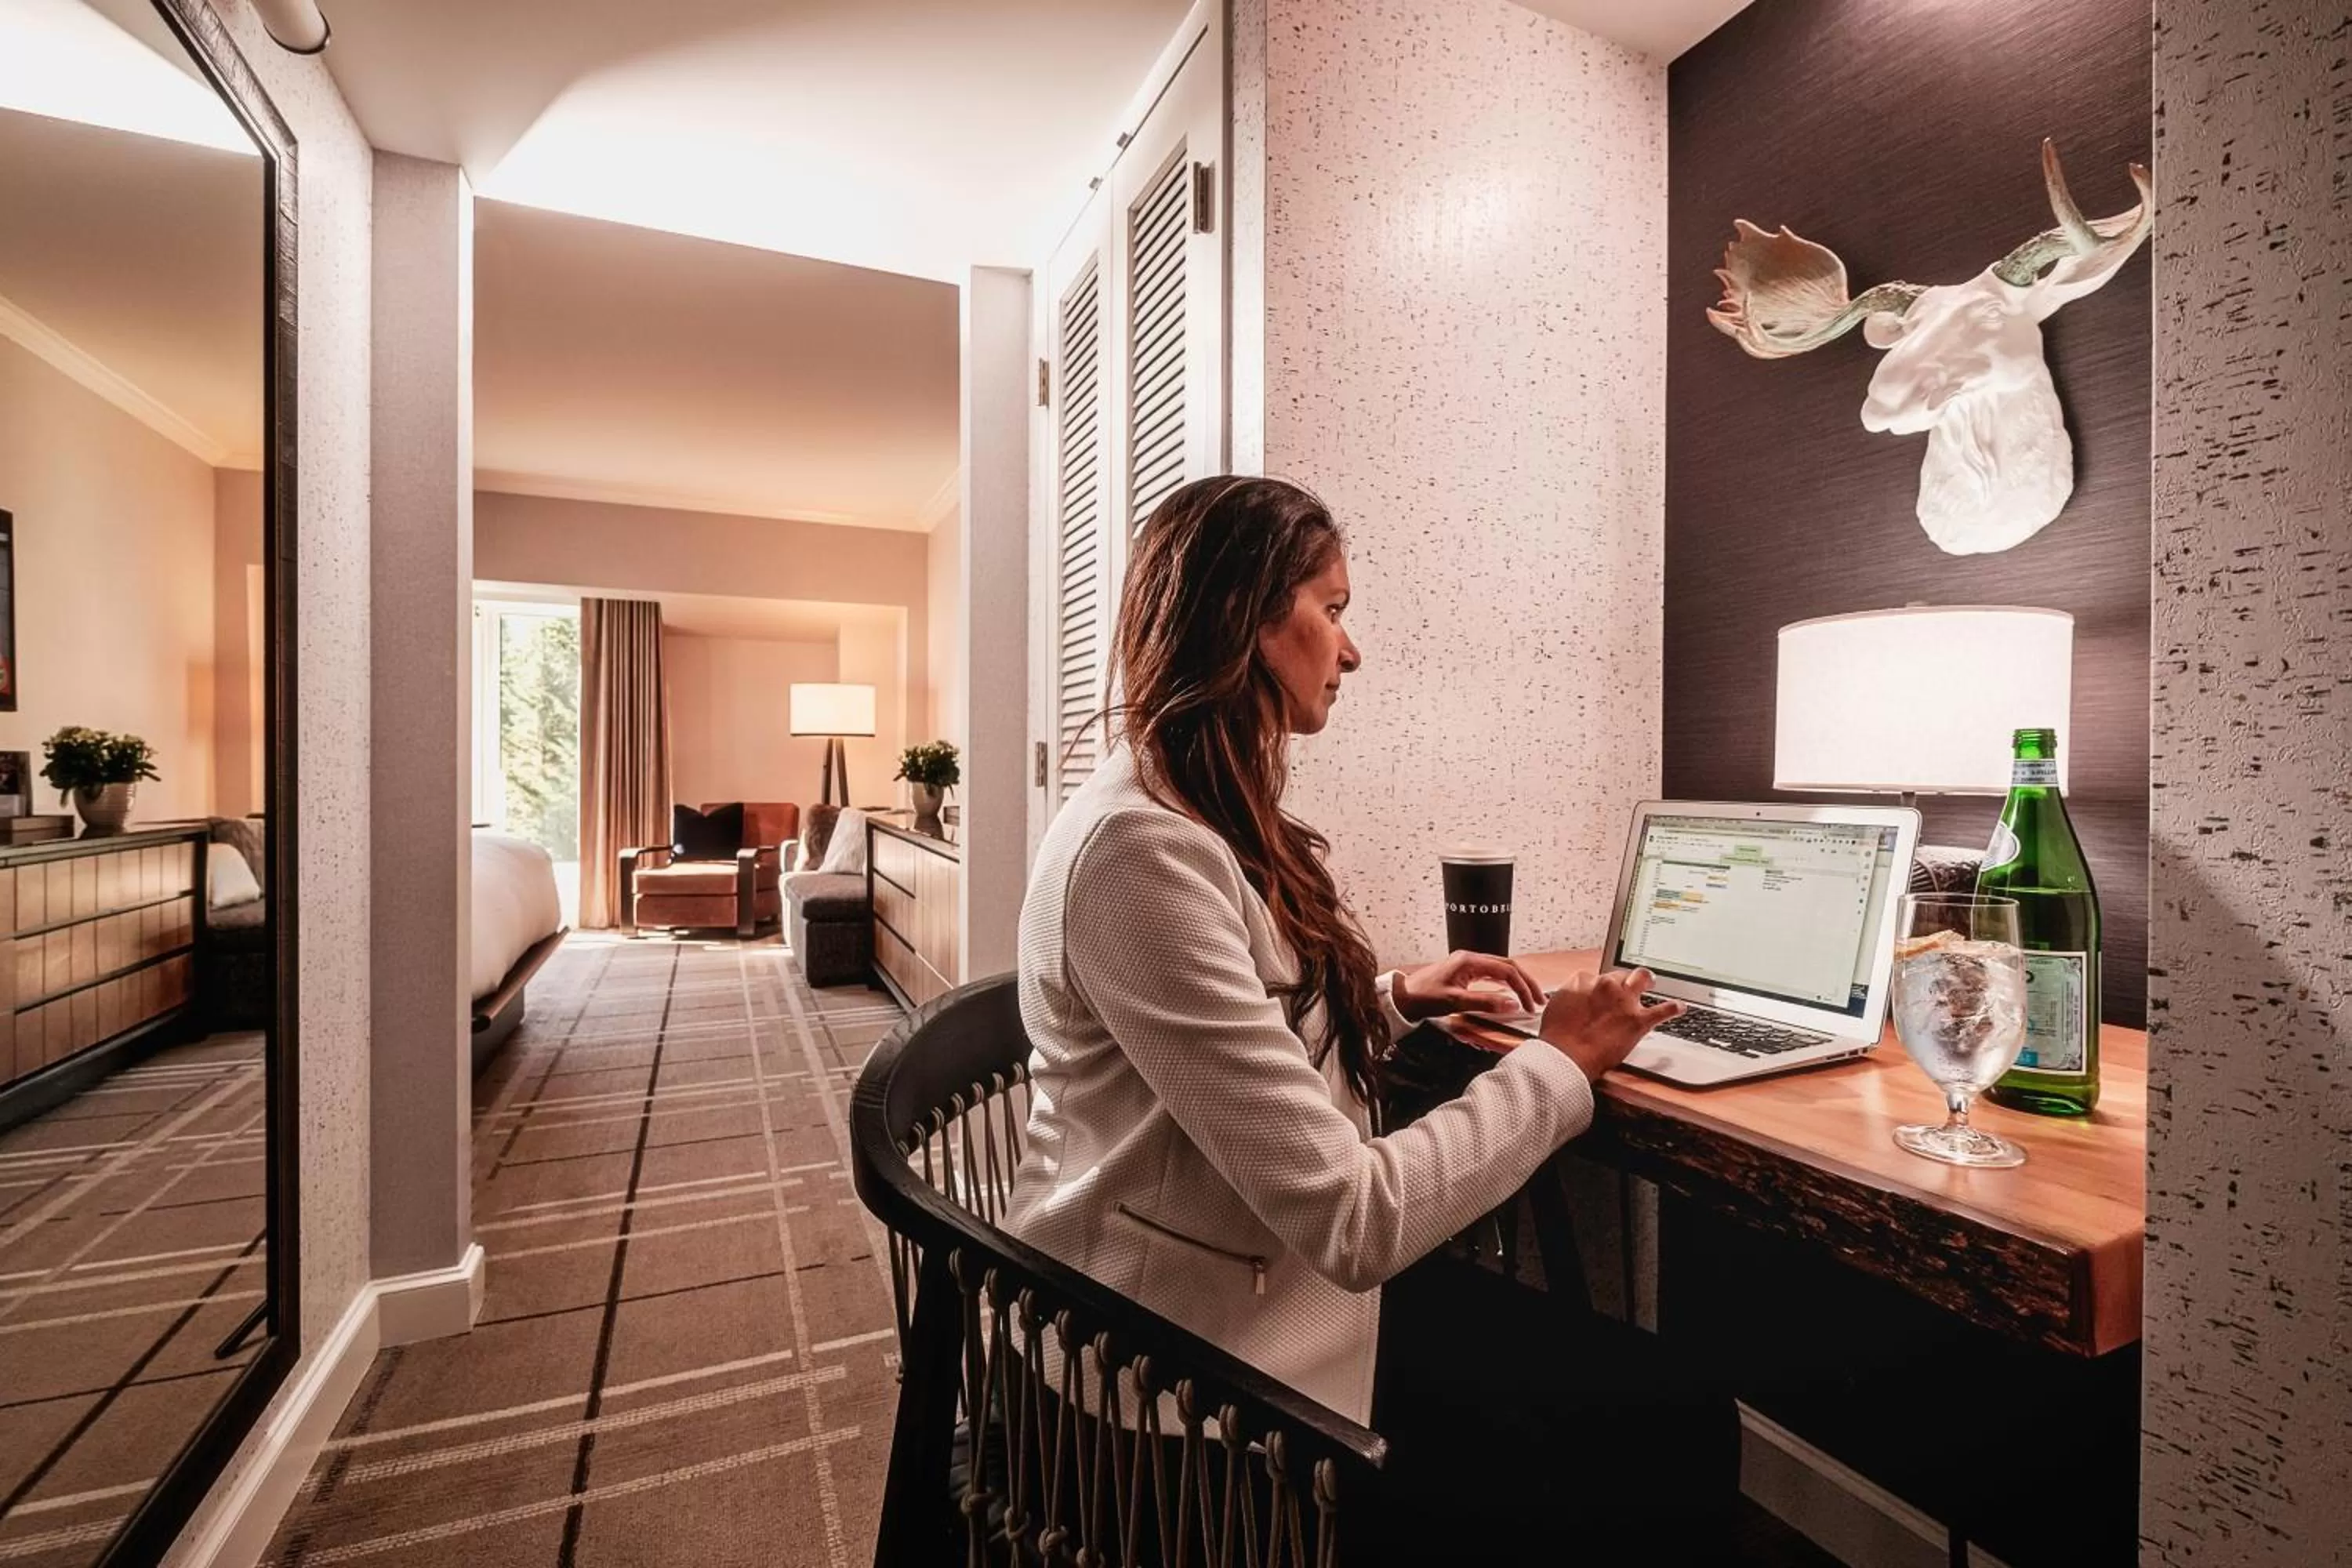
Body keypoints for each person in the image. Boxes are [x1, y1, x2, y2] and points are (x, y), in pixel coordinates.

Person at [1004, 475, 1732, 1559]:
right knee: (1664, 1423)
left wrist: (1391, 997)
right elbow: (1355, 1220)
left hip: (1248, 1286)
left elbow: (1241, 1033)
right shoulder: (1140, 854)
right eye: (1332, 611)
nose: (1351, 651)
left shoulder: (1194, 804)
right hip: (1170, 1367)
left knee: (1647, 1401)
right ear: (1251, 619)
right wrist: (1562, 1065)